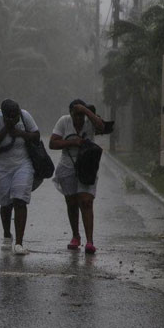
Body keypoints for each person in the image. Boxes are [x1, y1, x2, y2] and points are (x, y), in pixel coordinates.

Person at [49, 99, 105, 254]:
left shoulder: (90, 121)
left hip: (87, 165)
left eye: (82, 115)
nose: (79, 119)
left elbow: (101, 126)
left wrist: (87, 111)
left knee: (86, 201)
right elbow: (52, 143)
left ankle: (90, 241)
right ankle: (75, 235)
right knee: (72, 202)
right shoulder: (64, 121)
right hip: (68, 165)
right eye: (76, 115)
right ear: (71, 114)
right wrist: (72, 142)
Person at [0, 99, 40, 255]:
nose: (15, 119)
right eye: (10, 117)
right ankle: (7, 234)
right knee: (6, 204)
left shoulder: (25, 116)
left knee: (20, 200)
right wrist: (6, 129)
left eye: (16, 116)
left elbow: (36, 135)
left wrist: (21, 133)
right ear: (3, 115)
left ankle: (19, 243)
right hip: (1, 167)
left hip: (23, 163)